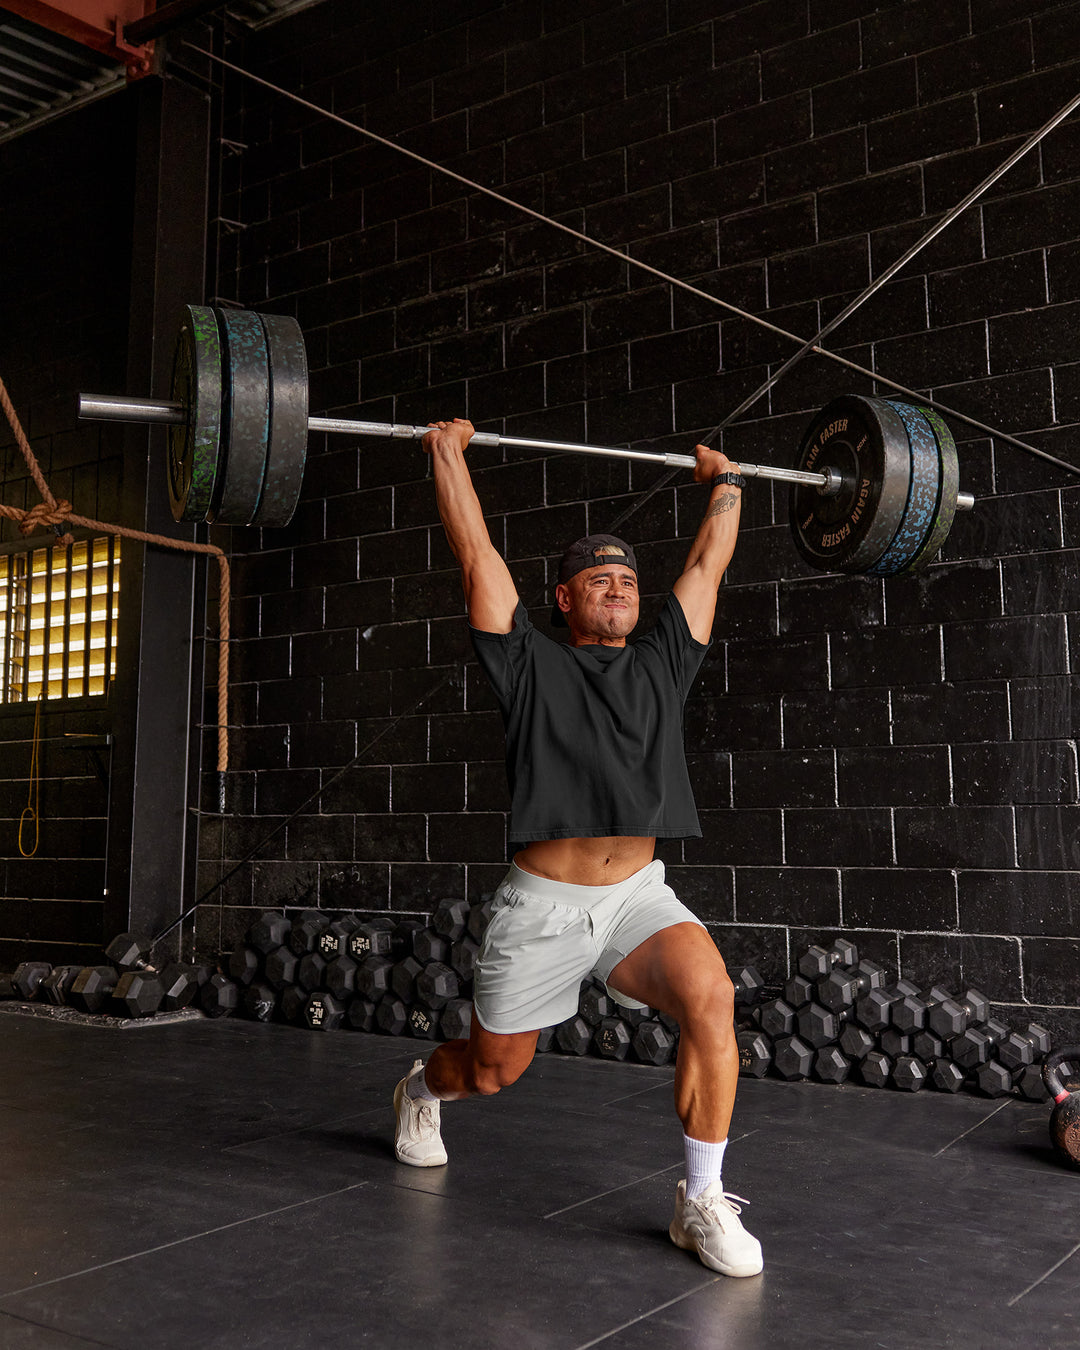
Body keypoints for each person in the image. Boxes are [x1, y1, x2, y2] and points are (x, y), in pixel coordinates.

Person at [392, 417, 762, 1279]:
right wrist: (445, 455)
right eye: (599, 581)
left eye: (627, 580)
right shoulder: (526, 664)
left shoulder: (665, 660)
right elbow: (477, 555)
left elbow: (707, 566)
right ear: (564, 600)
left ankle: (701, 1200)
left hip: (637, 898)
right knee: (490, 1072)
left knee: (711, 997)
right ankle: (417, 1090)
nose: (618, 590)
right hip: (544, 908)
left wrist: (728, 482)